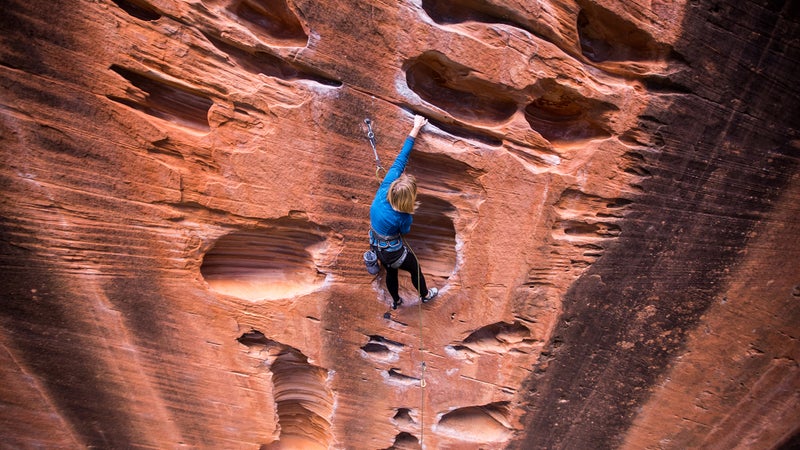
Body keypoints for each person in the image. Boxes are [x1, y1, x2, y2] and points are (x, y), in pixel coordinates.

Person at [369, 114, 438, 310]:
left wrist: (415, 127)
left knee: (391, 272)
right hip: (392, 251)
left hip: (376, 245)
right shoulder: (403, 216)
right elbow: (404, 232)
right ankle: (425, 296)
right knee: (414, 268)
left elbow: (401, 159)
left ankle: (396, 301)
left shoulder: (386, 186)